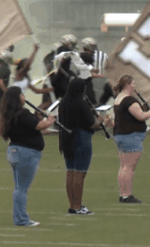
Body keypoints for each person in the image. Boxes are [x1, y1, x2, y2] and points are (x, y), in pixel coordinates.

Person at [0, 86, 55, 227]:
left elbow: (29, 128)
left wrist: (42, 121)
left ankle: (20, 218)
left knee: (19, 187)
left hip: (15, 151)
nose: (24, 97)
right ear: (17, 97)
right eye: (22, 95)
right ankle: (21, 219)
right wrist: (50, 121)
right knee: (22, 188)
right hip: (26, 153)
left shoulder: (10, 114)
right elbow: (38, 126)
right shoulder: (22, 113)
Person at [59, 78, 108, 215]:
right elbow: (91, 124)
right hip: (81, 138)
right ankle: (78, 206)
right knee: (80, 173)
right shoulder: (82, 103)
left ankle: (72, 205)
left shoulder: (63, 103)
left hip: (66, 139)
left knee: (70, 172)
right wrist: (101, 120)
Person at [113, 75, 150, 203]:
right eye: (133, 84)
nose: (134, 86)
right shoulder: (129, 100)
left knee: (124, 166)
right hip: (130, 135)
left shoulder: (118, 98)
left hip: (121, 135)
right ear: (127, 85)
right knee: (129, 167)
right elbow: (141, 116)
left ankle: (123, 194)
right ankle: (127, 195)